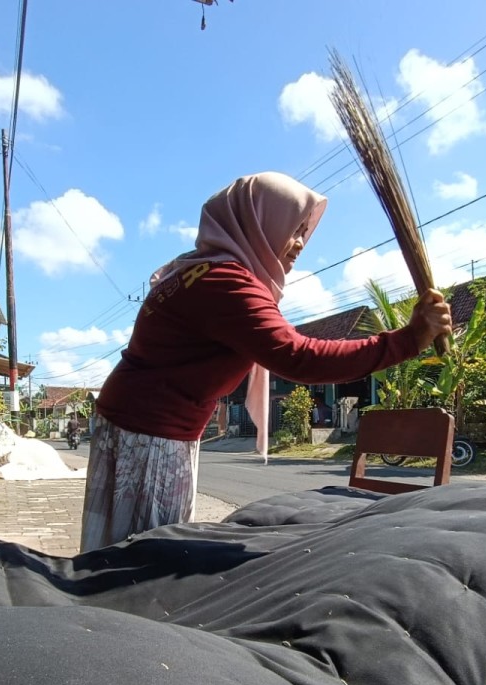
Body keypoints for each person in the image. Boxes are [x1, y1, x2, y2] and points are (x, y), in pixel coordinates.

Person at [80, 171, 452, 552]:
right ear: (257, 223)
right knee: (141, 557)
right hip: (150, 433)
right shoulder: (225, 282)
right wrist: (409, 340)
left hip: (136, 424)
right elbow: (300, 357)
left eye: (304, 232)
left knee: (119, 550)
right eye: (293, 228)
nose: (299, 244)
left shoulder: (197, 271)